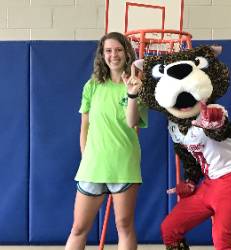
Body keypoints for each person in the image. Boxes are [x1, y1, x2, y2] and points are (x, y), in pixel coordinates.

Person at [65, 32, 148, 250]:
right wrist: (86, 159)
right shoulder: (91, 86)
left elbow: (132, 122)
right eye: (109, 50)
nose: (114, 55)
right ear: (102, 55)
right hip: (93, 166)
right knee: (78, 228)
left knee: (124, 226)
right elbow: (85, 127)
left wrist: (131, 94)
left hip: (123, 164)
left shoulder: (138, 85)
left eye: (118, 50)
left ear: (127, 52)